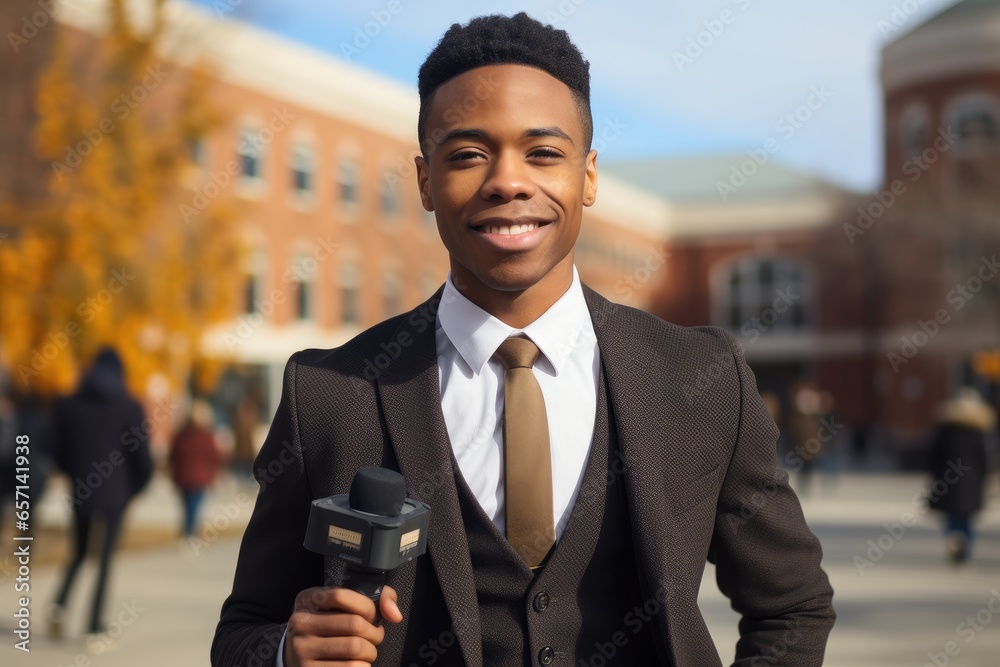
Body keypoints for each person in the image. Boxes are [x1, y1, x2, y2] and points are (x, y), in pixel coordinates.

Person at [212, 13, 835, 667]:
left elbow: (791, 606)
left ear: (588, 175)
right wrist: (286, 649)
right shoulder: (329, 394)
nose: (508, 180)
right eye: (467, 154)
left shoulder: (702, 377)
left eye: (542, 152)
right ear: (425, 182)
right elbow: (243, 631)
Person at [50, 347, 152, 637]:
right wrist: (132, 489)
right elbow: (142, 459)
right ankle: (94, 623)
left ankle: (59, 603)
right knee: (105, 559)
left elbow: (57, 450)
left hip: (82, 491)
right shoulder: (129, 407)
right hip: (116, 495)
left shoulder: (69, 405)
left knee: (80, 551)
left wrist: (75, 476)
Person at [927, 386, 996, 564]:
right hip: (971, 482)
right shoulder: (977, 432)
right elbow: (984, 460)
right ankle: (964, 545)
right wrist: (985, 478)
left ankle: (953, 537)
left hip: (947, 480)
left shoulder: (945, 429)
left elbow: (934, 455)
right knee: (967, 517)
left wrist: (934, 476)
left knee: (951, 515)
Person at [169, 399, 223, 538]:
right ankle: (189, 532)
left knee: (189, 505)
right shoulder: (205, 436)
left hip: (186, 477)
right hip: (198, 477)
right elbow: (214, 457)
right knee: (192, 506)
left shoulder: (181, 436)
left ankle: (188, 531)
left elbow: (173, 456)